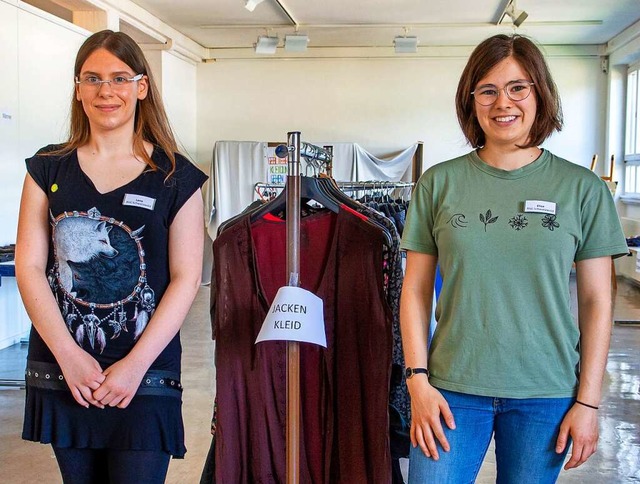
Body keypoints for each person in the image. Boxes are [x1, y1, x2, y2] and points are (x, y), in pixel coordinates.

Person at [400, 34, 628, 483]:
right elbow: (415, 291)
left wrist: (588, 402)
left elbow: (597, 301)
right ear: (472, 101)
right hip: (450, 387)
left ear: (540, 93)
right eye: (487, 90)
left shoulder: (582, 189)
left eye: (518, 88)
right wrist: (417, 382)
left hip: (545, 391)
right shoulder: (438, 184)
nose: (503, 102)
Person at [15, 30, 207, 484]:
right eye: (93, 78)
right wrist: (69, 356)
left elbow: (186, 278)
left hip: (146, 373)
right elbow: (29, 268)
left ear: (141, 87)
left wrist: (134, 366)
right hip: (66, 370)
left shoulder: (177, 177)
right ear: (78, 89)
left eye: (120, 78)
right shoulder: (47, 169)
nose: (107, 91)